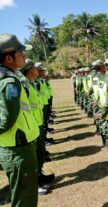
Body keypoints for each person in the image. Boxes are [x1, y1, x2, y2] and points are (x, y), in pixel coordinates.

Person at [0, 33, 40, 207]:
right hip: (18, 150)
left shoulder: (10, 78)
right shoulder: (9, 83)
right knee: (25, 199)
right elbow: (7, 119)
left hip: (16, 147)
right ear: (9, 58)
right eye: (20, 52)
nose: (24, 55)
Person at [21, 59, 54, 195]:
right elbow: (22, 105)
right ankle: (35, 184)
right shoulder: (23, 85)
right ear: (30, 70)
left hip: (37, 122)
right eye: (35, 68)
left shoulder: (32, 83)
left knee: (39, 154)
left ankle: (39, 176)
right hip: (31, 124)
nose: (39, 70)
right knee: (33, 156)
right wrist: (33, 108)